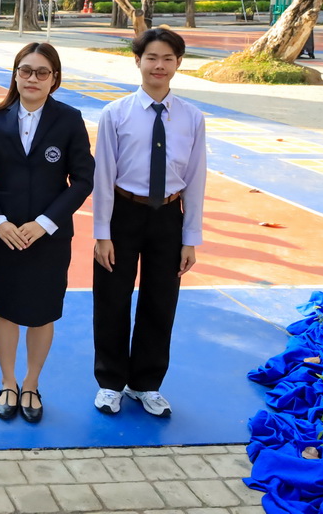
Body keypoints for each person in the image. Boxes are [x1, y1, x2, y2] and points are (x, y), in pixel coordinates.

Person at [0, 43, 94, 424]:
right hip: (4, 235)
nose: (32, 78)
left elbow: (82, 180)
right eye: (25, 70)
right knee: (4, 309)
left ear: (55, 78)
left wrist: (45, 223)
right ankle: (8, 381)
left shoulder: (69, 120)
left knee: (41, 313)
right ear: (15, 74)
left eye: (42, 72)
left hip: (49, 238)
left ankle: (31, 383)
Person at [92, 28, 206, 418]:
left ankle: (145, 383)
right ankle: (110, 383)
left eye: (168, 59)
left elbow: (196, 178)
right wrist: (102, 233)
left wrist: (190, 238)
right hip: (123, 213)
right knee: (112, 299)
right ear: (138, 61)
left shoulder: (192, 117)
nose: (159, 66)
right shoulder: (115, 113)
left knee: (161, 301)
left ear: (178, 63)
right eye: (152, 58)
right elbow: (103, 176)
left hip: (168, 217)